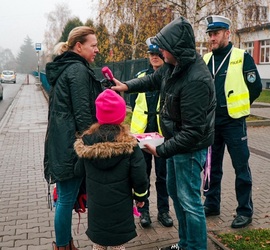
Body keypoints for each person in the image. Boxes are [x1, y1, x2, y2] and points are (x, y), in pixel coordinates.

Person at [112, 16, 216, 250]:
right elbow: (153, 79)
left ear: (176, 50)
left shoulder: (196, 79)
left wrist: (161, 150)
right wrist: (126, 86)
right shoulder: (173, 66)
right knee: (176, 196)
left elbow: (193, 132)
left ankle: (196, 247)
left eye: (163, 49)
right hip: (175, 143)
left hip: (188, 149)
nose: (159, 53)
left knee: (189, 201)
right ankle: (185, 243)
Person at [44, 26, 103, 250]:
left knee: (65, 198)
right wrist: (92, 147)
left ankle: (66, 243)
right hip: (72, 146)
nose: (97, 49)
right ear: (79, 46)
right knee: (66, 198)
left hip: (63, 142)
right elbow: (82, 114)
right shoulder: (77, 70)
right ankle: (62, 246)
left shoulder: (67, 68)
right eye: (93, 45)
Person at [202, 15, 262, 229]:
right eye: (209, 34)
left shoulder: (241, 56)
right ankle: (211, 204)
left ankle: (244, 211)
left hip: (234, 122)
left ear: (227, 33)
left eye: (215, 33)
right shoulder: (207, 60)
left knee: (241, 167)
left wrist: (240, 109)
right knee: (211, 167)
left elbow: (255, 87)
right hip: (212, 123)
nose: (212, 38)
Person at [74, 89, 149, 250]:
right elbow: (140, 175)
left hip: (96, 207)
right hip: (120, 209)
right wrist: (141, 196)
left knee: (99, 244)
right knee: (117, 246)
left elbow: (78, 171)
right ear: (121, 115)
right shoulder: (130, 144)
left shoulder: (87, 142)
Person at [130, 42, 173, 228]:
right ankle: (143, 211)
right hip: (142, 136)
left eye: (157, 53)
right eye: (151, 54)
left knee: (163, 177)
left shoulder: (170, 77)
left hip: (162, 137)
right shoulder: (141, 77)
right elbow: (134, 104)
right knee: (143, 176)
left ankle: (164, 211)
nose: (154, 57)